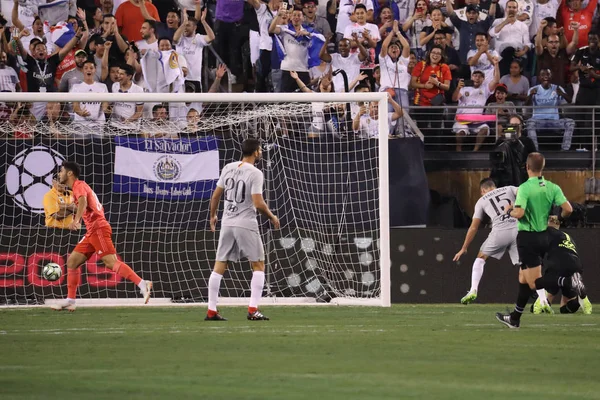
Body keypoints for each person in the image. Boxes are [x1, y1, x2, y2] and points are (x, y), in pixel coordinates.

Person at [51, 161, 152, 311]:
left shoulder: (79, 186)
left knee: (111, 262)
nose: (59, 174)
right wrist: (62, 210)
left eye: (61, 171)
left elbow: (83, 203)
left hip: (98, 227)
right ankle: (70, 300)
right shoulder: (78, 188)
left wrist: (76, 221)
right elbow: (79, 206)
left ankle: (142, 283)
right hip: (92, 231)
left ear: (70, 173)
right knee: (72, 262)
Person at [496, 152, 573, 328]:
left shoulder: (525, 188)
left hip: (528, 238)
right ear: (542, 168)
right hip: (544, 236)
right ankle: (515, 318)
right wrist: (558, 219)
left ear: (527, 167)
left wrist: (508, 210)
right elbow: (568, 209)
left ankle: (566, 282)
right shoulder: (552, 187)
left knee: (533, 282)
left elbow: (520, 213)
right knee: (523, 277)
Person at [206, 138, 280, 321]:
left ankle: (211, 310)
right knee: (258, 265)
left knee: (219, 266)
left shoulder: (228, 167)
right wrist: (271, 216)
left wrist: (213, 215)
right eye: (260, 150)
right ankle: (253, 310)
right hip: (246, 223)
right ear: (255, 152)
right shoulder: (255, 173)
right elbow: (258, 202)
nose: (261, 152)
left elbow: (215, 196)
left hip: (227, 222)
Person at [453, 178, 520, 304]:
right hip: (518, 230)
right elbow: (524, 192)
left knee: (481, 258)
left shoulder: (481, 200)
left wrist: (464, 247)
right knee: (526, 266)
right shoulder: (510, 188)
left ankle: (473, 290)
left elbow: (474, 227)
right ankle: (542, 298)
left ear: (483, 190)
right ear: (494, 186)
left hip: (499, 232)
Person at [531, 216, 592, 314]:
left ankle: (566, 282)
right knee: (565, 308)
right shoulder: (568, 237)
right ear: (558, 225)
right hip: (576, 265)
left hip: (558, 265)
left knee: (543, 294)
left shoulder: (546, 232)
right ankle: (578, 298)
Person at [525, 69, 574, 151]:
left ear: (551, 76)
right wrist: (530, 95)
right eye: (543, 75)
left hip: (554, 122)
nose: (545, 76)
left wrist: (562, 94)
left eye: (548, 74)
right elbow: (526, 105)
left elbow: (570, 101)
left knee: (570, 122)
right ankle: (535, 150)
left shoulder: (557, 88)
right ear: (539, 77)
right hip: (538, 121)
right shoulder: (533, 89)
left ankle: (565, 149)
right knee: (529, 123)